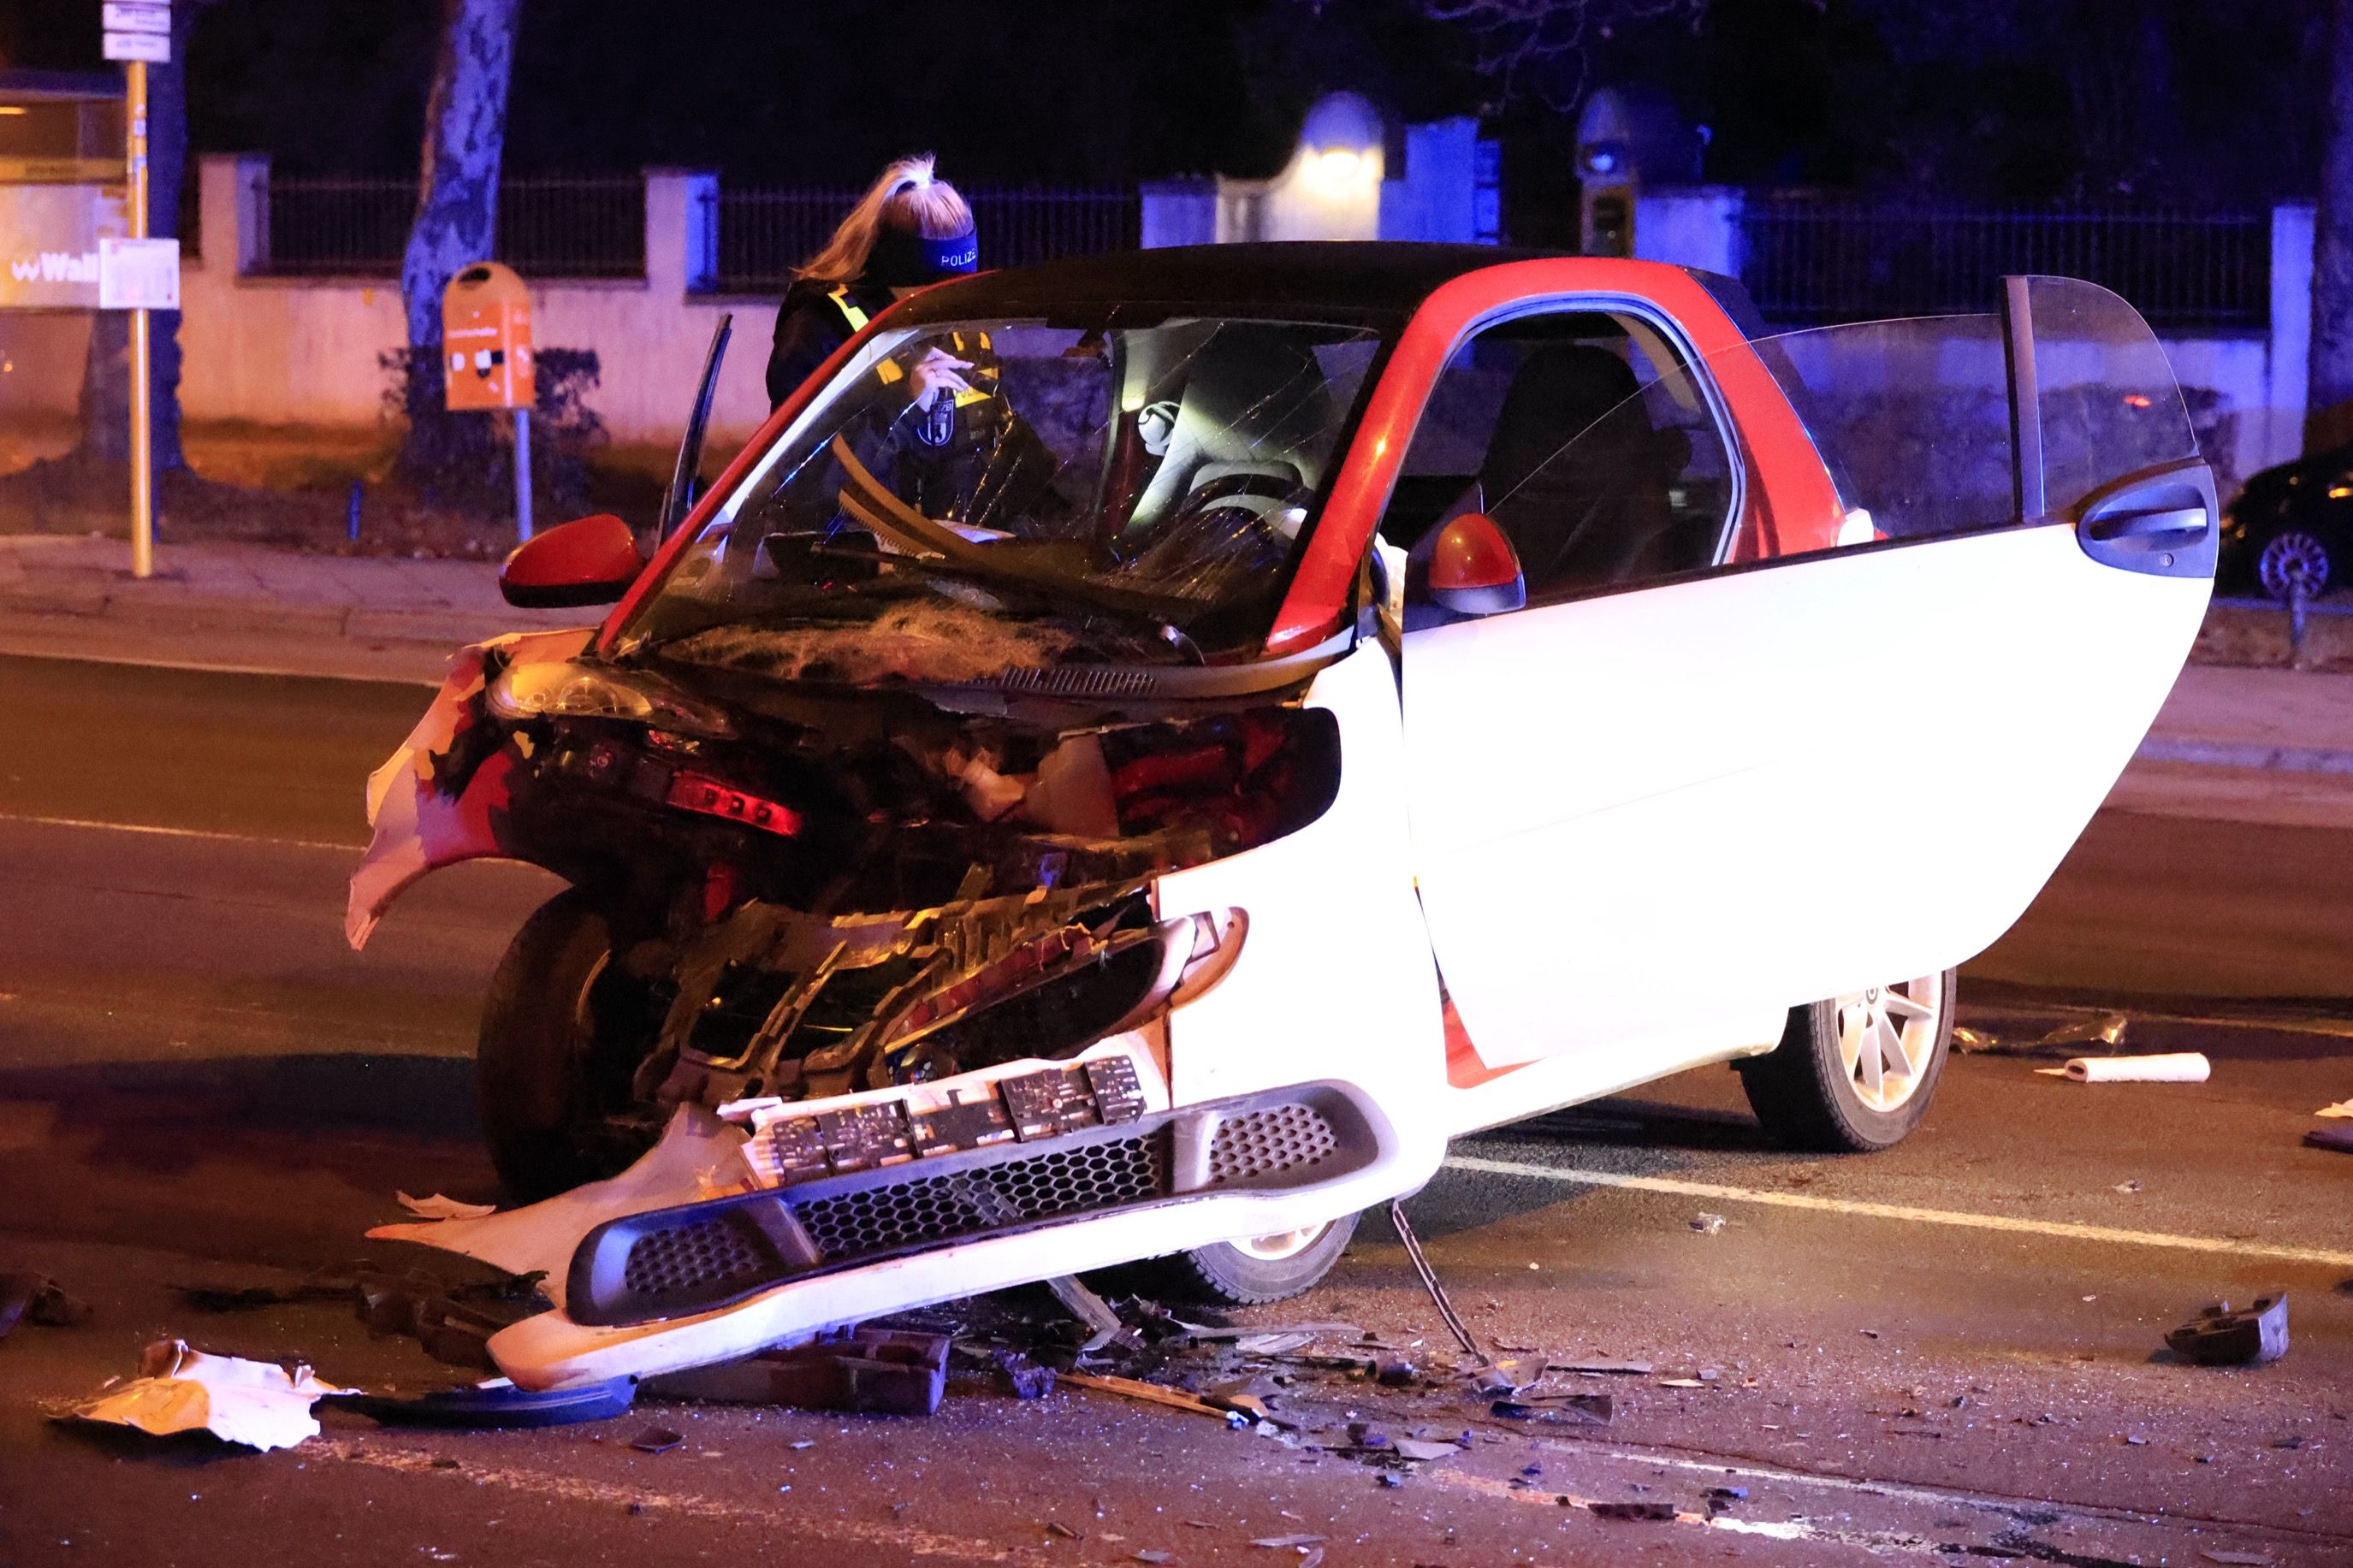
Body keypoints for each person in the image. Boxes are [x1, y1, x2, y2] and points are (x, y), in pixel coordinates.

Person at [765, 155, 983, 411]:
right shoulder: (820, 331)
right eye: (936, 288)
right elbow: (803, 449)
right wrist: (907, 404)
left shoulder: (963, 332)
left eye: (961, 285)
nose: (951, 301)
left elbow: (995, 430)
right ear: (895, 270)